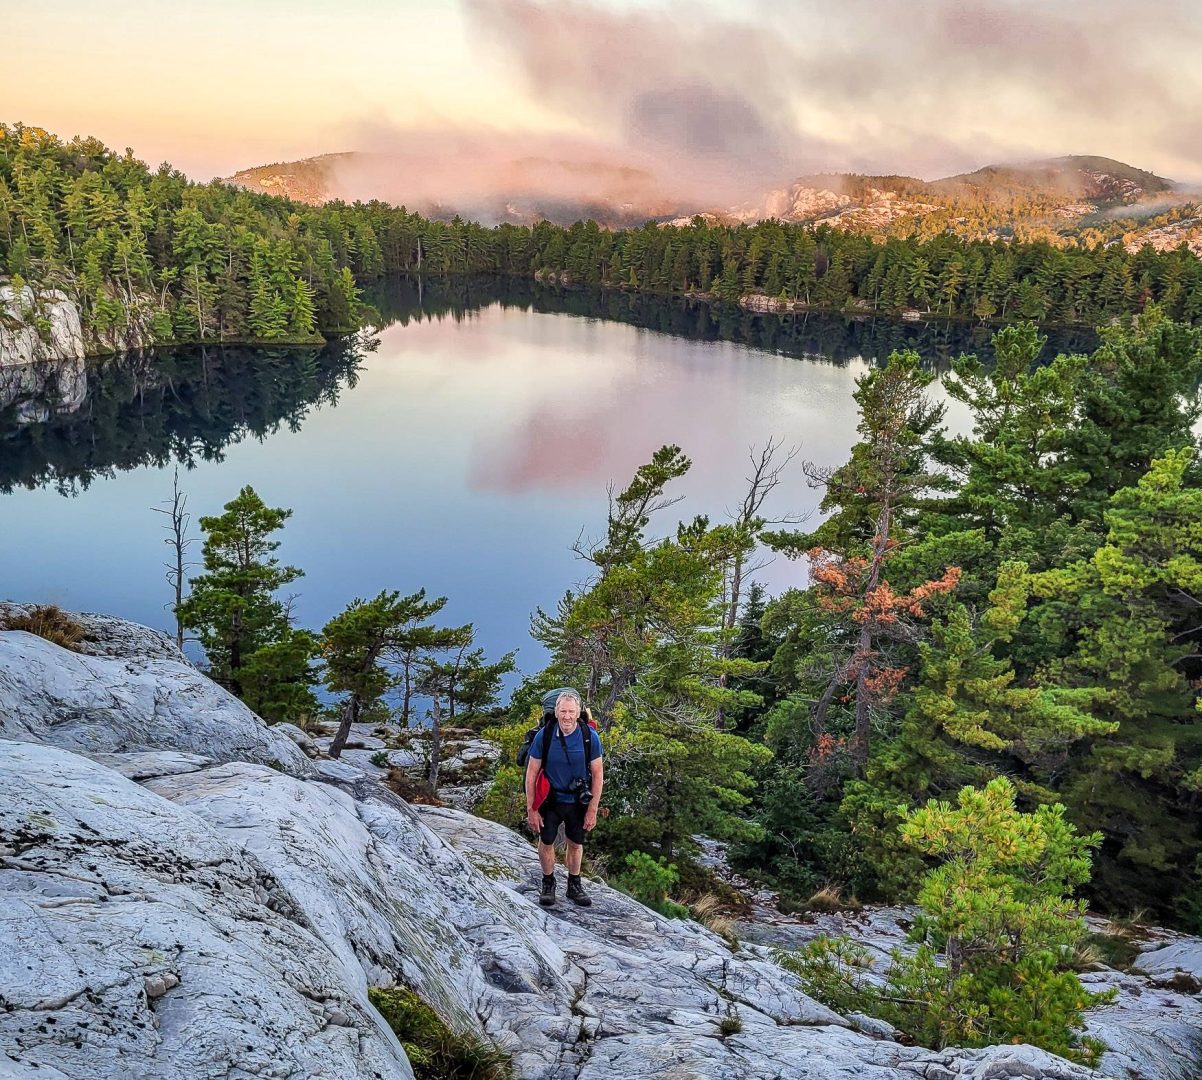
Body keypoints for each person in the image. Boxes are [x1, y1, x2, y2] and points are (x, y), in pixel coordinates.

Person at [525, 689, 604, 907]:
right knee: (547, 839)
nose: (567, 716)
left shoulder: (590, 737)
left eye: (571, 711)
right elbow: (532, 772)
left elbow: (598, 774)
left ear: (578, 712)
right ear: (556, 712)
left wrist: (592, 809)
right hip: (550, 799)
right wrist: (532, 809)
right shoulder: (546, 734)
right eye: (563, 711)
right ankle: (548, 883)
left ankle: (574, 884)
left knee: (576, 843)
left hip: (578, 801)